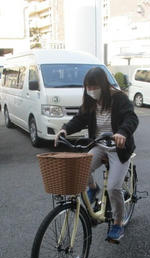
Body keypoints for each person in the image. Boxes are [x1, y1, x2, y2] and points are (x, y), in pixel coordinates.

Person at [54, 67, 138, 242]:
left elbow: (131, 118)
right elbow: (80, 119)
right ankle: (93, 188)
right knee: (80, 169)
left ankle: (117, 223)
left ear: (103, 84)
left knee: (114, 187)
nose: (91, 90)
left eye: (94, 86)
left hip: (118, 148)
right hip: (99, 145)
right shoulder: (91, 102)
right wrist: (64, 129)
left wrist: (122, 132)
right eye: (88, 87)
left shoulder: (119, 98)